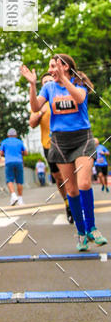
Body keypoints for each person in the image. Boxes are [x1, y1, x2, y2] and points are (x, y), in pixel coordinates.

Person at [22, 54, 107, 251]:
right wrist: (33, 85)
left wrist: (64, 80)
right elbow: (35, 107)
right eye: (50, 67)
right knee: (71, 190)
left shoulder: (78, 83)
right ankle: (81, 233)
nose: (51, 70)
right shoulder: (48, 87)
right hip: (60, 141)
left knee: (84, 183)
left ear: (65, 66)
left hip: (82, 138)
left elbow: (78, 99)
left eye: (54, 66)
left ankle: (92, 228)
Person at [29, 73, 73, 223]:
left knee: (71, 176)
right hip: (49, 145)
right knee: (59, 177)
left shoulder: (63, 95)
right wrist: (40, 112)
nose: (48, 84)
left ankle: (75, 200)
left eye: (50, 81)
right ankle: (67, 202)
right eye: (44, 82)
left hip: (67, 142)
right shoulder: (40, 103)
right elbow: (32, 123)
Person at [0, 128, 27, 205]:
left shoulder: (4, 142)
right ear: (16, 135)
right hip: (19, 162)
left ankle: (13, 195)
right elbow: (25, 152)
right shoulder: (19, 142)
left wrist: (7, 154)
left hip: (8, 162)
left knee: (9, 180)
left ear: (8, 135)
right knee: (19, 181)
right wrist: (19, 153)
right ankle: (20, 199)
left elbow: (1, 153)